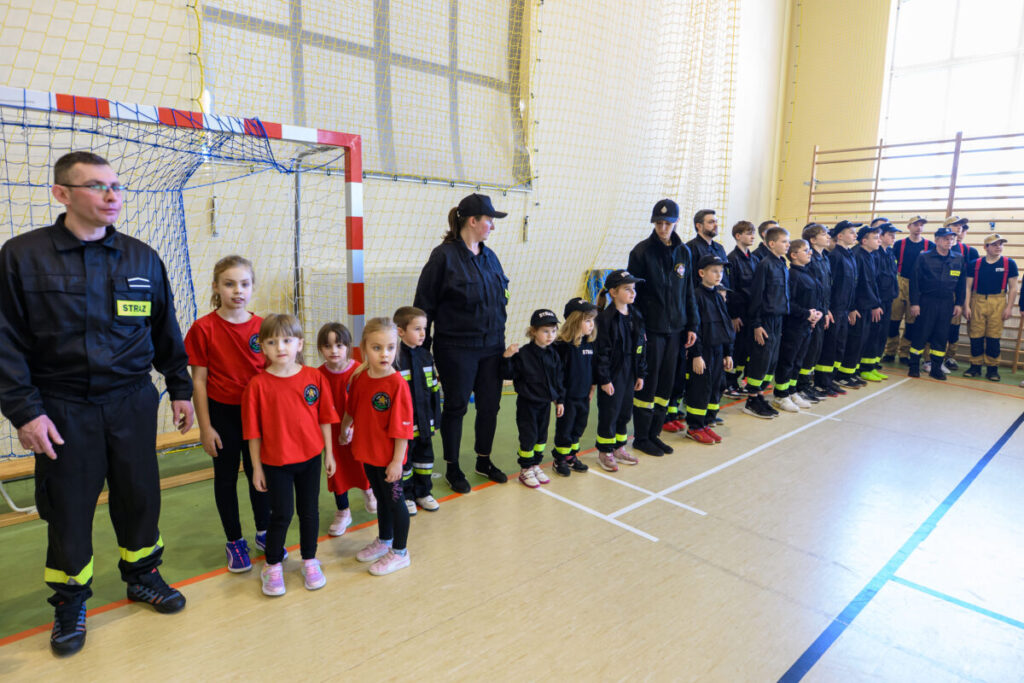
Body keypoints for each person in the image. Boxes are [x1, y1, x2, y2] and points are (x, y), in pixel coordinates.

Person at [0, 151, 194, 656]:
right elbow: (5, 342)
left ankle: (143, 576)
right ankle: (69, 601)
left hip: (130, 403)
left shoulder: (141, 257)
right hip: (61, 408)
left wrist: (179, 387)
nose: (112, 196)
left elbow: (165, 328)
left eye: (116, 185)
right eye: (97, 186)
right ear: (62, 193)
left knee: (139, 497)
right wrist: (25, 412)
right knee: (68, 508)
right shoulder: (22, 256)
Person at [413, 193, 510, 494]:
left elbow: (501, 296)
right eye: (489, 220)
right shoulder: (443, 257)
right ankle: (453, 466)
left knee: (490, 406)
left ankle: (484, 459)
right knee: (455, 407)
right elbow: (424, 306)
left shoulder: (490, 256)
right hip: (457, 347)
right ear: (473, 221)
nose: (492, 226)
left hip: (492, 345)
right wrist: (422, 353)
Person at [185, 255, 271, 573]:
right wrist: (205, 427)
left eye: (244, 284)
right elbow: (199, 381)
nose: (238, 290)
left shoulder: (263, 327)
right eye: (230, 283)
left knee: (258, 472)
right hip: (222, 414)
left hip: (257, 416)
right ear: (216, 287)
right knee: (225, 477)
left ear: (252, 287)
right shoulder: (203, 328)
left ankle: (264, 531)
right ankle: (234, 540)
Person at [244, 314, 338, 596]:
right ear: (263, 346)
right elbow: (253, 434)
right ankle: (272, 565)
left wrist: (329, 455)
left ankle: (310, 559)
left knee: (309, 512)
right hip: (276, 464)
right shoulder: (257, 386)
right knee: (281, 514)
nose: (280, 347)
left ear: (300, 344)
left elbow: (325, 419)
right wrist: (257, 469)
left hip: (310, 460)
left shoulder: (314, 378)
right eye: (272, 342)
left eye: (287, 340)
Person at [341, 318, 415, 576]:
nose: (385, 354)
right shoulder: (361, 376)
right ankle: (384, 540)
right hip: (368, 454)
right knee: (382, 500)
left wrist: (397, 461)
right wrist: (344, 428)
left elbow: (402, 429)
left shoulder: (397, 385)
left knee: (395, 502)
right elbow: (352, 409)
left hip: (389, 459)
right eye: (377, 348)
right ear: (364, 348)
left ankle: (401, 551)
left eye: (390, 347)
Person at [627, 199, 698, 455]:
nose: (663, 228)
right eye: (658, 223)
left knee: (666, 384)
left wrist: (692, 324)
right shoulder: (641, 252)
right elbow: (632, 295)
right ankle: (641, 437)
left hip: (677, 330)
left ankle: (655, 434)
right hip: (652, 330)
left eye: (668, 223)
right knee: (648, 383)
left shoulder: (684, 252)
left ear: (676, 222)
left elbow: (688, 290)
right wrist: (639, 327)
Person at [316, 322, 376, 538]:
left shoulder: (359, 371)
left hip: (357, 429)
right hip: (331, 432)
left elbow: (365, 404)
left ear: (348, 346)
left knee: (361, 464)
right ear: (320, 348)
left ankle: (369, 492)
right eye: (328, 346)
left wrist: (354, 426)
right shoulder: (318, 375)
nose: (334, 351)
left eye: (339, 345)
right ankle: (343, 510)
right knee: (336, 471)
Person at [502, 309, 565, 488]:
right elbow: (508, 373)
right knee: (528, 436)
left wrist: (559, 400)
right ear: (533, 332)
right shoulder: (523, 354)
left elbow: (558, 378)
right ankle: (525, 469)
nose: (550, 335)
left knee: (541, 437)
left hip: (545, 403)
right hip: (528, 404)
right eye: (545, 331)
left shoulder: (553, 354)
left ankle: (535, 464)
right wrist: (507, 357)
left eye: (553, 331)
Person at [594, 270, 647, 472]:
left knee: (625, 411)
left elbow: (641, 347)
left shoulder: (636, 315)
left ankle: (619, 447)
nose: (633, 293)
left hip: (630, 372)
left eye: (633, 289)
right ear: (613, 292)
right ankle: (605, 451)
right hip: (613, 374)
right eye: (627, 289)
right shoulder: (605, 319)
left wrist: (641, 373)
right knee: (610, 411)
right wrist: (605, 379)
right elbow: (602, 354)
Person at [393, 306, 442, 512]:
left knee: (425, 459)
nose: (423, 333)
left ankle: (424, 492)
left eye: (424, 328)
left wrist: (436, 418)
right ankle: (407, 494)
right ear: (401, 331)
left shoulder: (425, 356)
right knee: (406, 460)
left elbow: (433, 390)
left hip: (424, 421)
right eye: (417, 329)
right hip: (404, 425)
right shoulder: (395, 359)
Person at [683, 255, 735, 443]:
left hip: (718, 350)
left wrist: (728, 352)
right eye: (714, 270)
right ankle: (695, 426)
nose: (718, 275)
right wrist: (696, 355)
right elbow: (693, 328)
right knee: (700, 388)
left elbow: (726, 326)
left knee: (715, 386)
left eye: (720, 271)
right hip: (702, 353)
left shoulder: (718, 296)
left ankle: (706, 422)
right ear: (701, 273)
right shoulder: (696, 296)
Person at [908, 226, 967, 380]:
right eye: (946, 239)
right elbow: (914, 282)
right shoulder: (924, 257)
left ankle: (936, 368)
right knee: (921, 334)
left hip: (947, 302)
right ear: (937, 240)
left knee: (941, 336)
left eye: (951, 239)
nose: (949, 241)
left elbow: (961, 285)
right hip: (927, 301)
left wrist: (959, 304)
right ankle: (914, 366)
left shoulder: (958, 258)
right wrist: (914, 303)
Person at [743, 226, 791, 418]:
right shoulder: (765, 265)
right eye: (784, 242)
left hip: (779, 319)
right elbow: (757, 296)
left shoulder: (781, 264)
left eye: (788, 242)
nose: (787, 245)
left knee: (771, 361)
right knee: (761, 360)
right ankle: (751, 399)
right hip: (765, 320)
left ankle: (760, 396)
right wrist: (756, 324)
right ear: (772, 244)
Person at [772, 240, 822, 412]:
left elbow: (814, 299)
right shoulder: (792, 275)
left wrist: (817, 314)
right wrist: (806, 313)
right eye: (805, 250)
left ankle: (791, 391)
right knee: (787, 360)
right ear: (793, 255)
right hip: (793, 326)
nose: (810, 253)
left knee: (798, 361)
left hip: (806, 326)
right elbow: (788, 303)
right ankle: (780, 395)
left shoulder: (808, 273)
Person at [552, 297, 598, 476]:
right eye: (587, 320)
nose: (591, 324)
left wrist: (592, 387)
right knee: (565, 428)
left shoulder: (589, 344)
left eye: (592, 320)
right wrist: (559, 398)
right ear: (574, 321)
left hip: (583, 396)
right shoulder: (561, 346)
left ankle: (571, 456)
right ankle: (560, 459)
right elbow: (558, 375)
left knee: (579, 427)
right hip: (567, 397)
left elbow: (591, 368)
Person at [963, 234, 1019, 381]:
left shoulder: (1009, 264)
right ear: (985, 247)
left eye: (1001, 244)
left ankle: (992, 369)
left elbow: (1013, 288)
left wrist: (1009, 307)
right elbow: (967, 287)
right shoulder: (974, 264)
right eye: (994, 244)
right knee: (976, 335)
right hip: (977, 301)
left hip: (998, 302)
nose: (998, 247)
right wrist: (966, 306)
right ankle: (975, 366)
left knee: (994, 337)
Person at [815, 220, 860, 395]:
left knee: (839, 346)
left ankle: (831, 378)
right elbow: (829, 286)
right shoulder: (835, 256)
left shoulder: (850, 255)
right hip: (834, 309)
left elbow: (852, 285)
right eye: (851, 232)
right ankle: (822, 381)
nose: (855, 235)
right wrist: (829, 309)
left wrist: (851, 307)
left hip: (844, 309)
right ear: (840, 236)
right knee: (829, 346)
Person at [837, 225, 882, 387]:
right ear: (864, 241)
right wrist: (853, 307)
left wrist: (875, 303)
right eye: (875, 238)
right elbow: (855, 285)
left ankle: (852, 372)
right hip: (857, 305)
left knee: (861, 341)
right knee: (853, 341)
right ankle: (844, 374)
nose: (879, 241)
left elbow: (872, 283)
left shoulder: (869, 256)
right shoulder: (857, 255)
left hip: (866, 305)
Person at [884, 216, 931, 364]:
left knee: (911, 322)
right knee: (894, 319)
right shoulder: (899, 244)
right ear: (909, 226)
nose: (919, 228)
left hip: (918, 285)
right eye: (916, 225)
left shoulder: (929, 245)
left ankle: (904, 352)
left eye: (921, 225)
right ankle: (890, 351)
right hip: (900, 281)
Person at [796, 223, 833, 402]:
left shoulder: (824, 258)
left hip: (821, 311)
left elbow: (825, 289)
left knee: (815, 350)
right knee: (808, 351)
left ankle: (807, 384)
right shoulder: (810, 261)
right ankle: (801, 386)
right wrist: (816, 313)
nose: (828, 237)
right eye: (824, 234)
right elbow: (810, 291)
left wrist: (826, 311)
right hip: (811, 313)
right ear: (812, 239)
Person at [725, 220, 760, 397]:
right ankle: (728, 383)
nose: (752, 236)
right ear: (738, 236)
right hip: (739, 313)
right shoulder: (731, 259)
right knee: (736, 347)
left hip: (751, 312)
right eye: (748, 233)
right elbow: (731, 290)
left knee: (745, 348)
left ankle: (737, 380)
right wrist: (734, 315)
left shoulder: (754, 259)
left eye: (753, 233)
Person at [941, 216, 979, 371]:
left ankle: (950, 356)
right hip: (938, 293)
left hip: (958, 293)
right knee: (938, 325)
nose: (959, 228)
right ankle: (933, 357)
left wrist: (966, 301)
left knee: (954, 327)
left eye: (961, 226)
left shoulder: (969, 251)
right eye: (955, 225)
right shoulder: (936, 248)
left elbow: (971, 278)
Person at [868, 223, 901, 378]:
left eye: (894, 234)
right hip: (878, 301)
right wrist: (875, 303)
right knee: (874, 334)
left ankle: (875, 362)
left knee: (882, 334)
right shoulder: (876, 254)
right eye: (890, 234)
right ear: (881, 236)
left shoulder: (890, 253)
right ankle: (866, 366)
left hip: (888, 299)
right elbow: (873, 281)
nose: (893, 237)